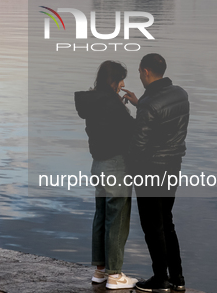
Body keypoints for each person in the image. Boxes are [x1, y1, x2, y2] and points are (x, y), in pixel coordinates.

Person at [122, 53, 189, 293]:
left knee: (152, 226)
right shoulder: (180, 94)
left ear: (145, 71)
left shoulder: (150, 104)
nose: (140, 76)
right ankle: (178, 278)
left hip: (150, 169)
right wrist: (141, 104)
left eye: (140, 72)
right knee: (167, 222)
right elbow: (165, 120)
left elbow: (139, 145)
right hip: (173, 166)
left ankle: (160, 279)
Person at [74, 60, 139, 290]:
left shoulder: (93, 101)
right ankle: (115, 275)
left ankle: (100, 271)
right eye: (121, 79)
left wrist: (119, 107)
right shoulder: (112, 104)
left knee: (101, 216)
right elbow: (133, 130)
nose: (122, 84)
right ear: (113, 80)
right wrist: (136, 105)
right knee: (117, 219)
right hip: (116, 166)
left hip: (98, 165)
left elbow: (107, 126)